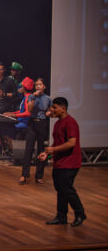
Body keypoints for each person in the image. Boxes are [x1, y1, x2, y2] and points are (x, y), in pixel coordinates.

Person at [40, 97, 86, 227]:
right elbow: (58, 142)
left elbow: (72, 143)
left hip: (70, 162)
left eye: (54, 107)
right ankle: (61, 216)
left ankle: (80, 213)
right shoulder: (58, 123)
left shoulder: (70, 123)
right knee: (60, 188)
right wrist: (47, 153)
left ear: (63, 108)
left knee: (66, 188)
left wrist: (53, 149)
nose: (51, 109)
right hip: (60, 161)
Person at [20, 78, 51, 185]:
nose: (38, 86)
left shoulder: (48, 98)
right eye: (36, 85)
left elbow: (50, 110)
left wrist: (49, 113)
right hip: (32, 123)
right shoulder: (31, 97)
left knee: (41, 150)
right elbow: (29, 109)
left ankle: (39, 176)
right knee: (28, 148)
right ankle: (24, 175)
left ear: (44, 87)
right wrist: (33, 97)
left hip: (42, 124)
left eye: (40, 85)